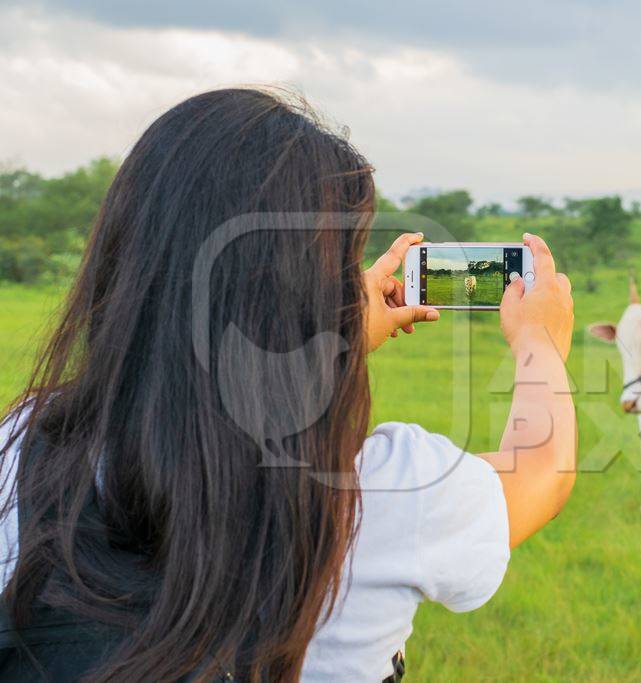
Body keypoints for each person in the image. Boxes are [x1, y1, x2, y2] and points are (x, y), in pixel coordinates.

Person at [0, 88, 576, 682]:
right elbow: (542, 470)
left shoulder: (22, 449)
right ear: (301, 299)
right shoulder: (381, 493)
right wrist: (540, 343)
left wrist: (335, 330)